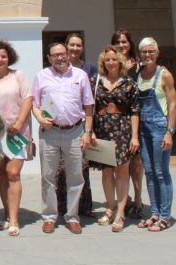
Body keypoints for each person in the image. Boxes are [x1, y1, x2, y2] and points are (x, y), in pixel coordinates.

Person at [32, 42, 95, 235]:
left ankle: (72, 217)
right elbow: (34, 103)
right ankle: (50, 216)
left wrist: (87, 132)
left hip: (75, 131)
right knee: (48, 176)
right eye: (55, 55)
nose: (59, 57)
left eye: (62, 54)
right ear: (49, 58)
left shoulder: (80, 75)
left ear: (67, 54)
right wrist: (40, 118)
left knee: (76, 176)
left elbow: (88, 107)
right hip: (50, 133)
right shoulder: (41, 76)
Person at [0, 40, 32, 237]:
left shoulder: (18, 76)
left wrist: (19, 122)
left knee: (13, 172)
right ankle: (8, 214)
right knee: (2, 173)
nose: (0, 59)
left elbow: (28, 99)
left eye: (3, 56)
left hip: (18, 134)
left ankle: (15, 220)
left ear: (9, 58)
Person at [90, 46, 139, 232]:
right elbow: (90, 109)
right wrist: (90, 131)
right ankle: (110, 207)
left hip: (122, 130)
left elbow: (135, 111)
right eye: (107, 59)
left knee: (122, 171)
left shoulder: (128, 83)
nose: (110, 62)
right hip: (102, 130)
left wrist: (134, 136)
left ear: (120, 61)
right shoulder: (95, 81)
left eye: (113, 59)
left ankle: (120, 211)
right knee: (106, 171)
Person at [136, 37, 176, 232]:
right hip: (143, 127)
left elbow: (172, 103)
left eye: (151, 51)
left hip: (159, 126)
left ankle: (165, 216)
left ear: (157, 53)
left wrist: (170, 131)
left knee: (161, 172)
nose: (147, 55)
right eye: (144, 52)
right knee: (150, 172)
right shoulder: (138, 72)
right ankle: (154, 212)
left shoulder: (164, 75)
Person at [58, 33, 95, 217]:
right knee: (62, 169)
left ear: (83, 47)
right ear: (65, 47)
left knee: (81, 168)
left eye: (78, 45)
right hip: (63, 125)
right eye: (71, 45)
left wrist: (90, 129)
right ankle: (63, 207)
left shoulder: (90, 68)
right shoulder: (59, 68)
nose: (74, 48)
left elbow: (92, 101)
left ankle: (83, 207)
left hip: (83, 124)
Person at [111, 28, 144, 219]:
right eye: (118, 42)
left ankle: (138, 200)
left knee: (136, 163)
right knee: (119, 165)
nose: (121, 45)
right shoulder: (111, 65)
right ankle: (124, 200)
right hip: (115, 122)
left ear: (130, 43)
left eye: (124, 42)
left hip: (134, 117)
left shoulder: (138, 65)